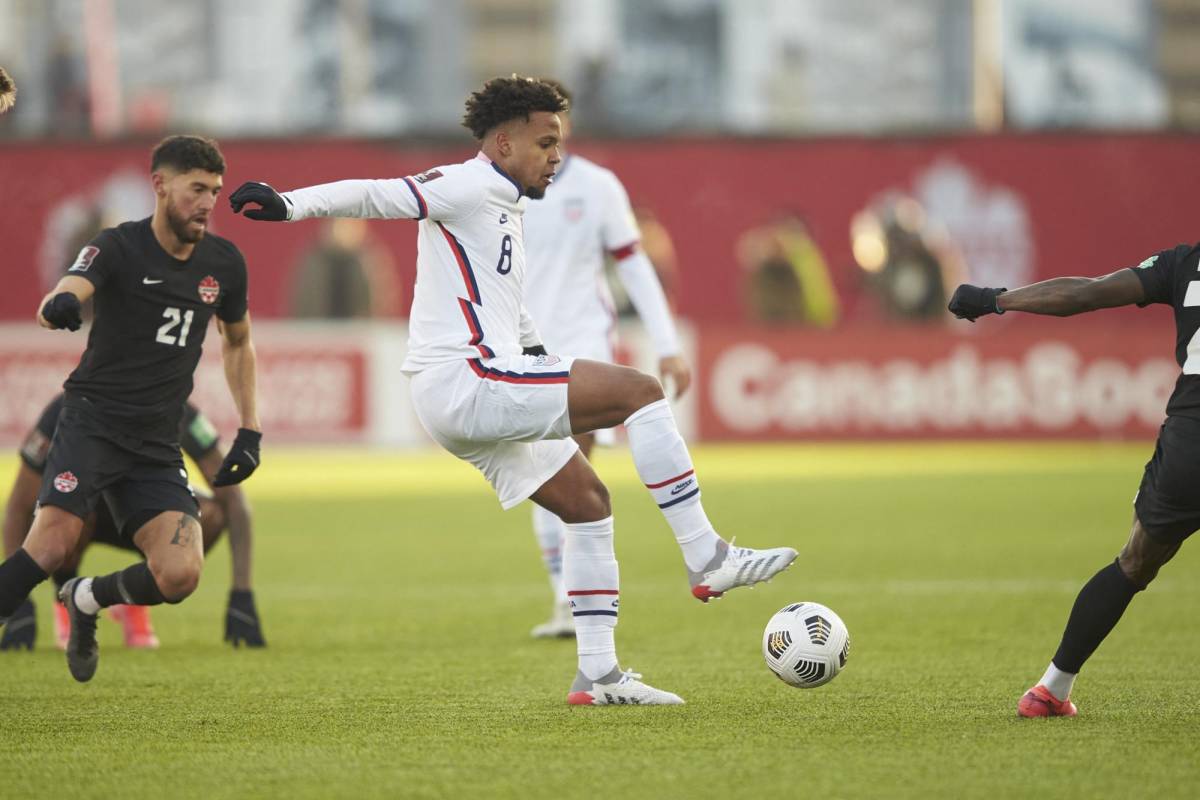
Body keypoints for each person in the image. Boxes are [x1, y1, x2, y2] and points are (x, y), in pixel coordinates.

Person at [229, 76, 796, 706]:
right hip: (467, 379)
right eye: (545, 142)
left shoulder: (507, 204)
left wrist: (531, 348)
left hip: (463, 388)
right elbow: (375, 194)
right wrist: (287, 204)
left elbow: (506, 307)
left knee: (587, 500)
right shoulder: (467, 184)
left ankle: (599, 675)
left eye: (559, 143)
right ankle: (706, 555)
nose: (556, 155)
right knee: (639, 391)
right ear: (502, 142)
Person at [0, 135, 262, 683]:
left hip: (155, 441)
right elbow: (62, 294)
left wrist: (250, 430)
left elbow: (237, 343)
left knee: (180, 574)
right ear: (161, 186)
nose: (208, 202)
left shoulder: (224, 264)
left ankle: (88, 598)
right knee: (47, 547)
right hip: (93, 423)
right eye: (196, 189)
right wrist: (63, 305)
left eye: (214, 191)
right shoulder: (117, 247)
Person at [948, 242, 1200, 718]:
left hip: (1192, 443)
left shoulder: (1185, 263)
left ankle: (1050, 690)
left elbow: (1087, 293)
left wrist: (996, 299)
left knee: (1135, 561)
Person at [521, 78, 692, 639]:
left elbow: (634, 264)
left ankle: (572, 602)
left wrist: (666, 343)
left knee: (570, 466)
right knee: (540, 473)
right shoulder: (496, 188)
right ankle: (562, 599)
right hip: (517, 351)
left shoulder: (597, 187)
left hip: (581, 347)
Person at [0, 395, 265, 651]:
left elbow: (233, 501)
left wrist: (242, 594)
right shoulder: (68, 407)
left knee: (208, 515)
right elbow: (19, 505)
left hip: (143, 512)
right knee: (67, 509)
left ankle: (130, 594)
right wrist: (20, 604)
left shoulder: (177, 406)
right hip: (84, 514)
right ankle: (66, 603)